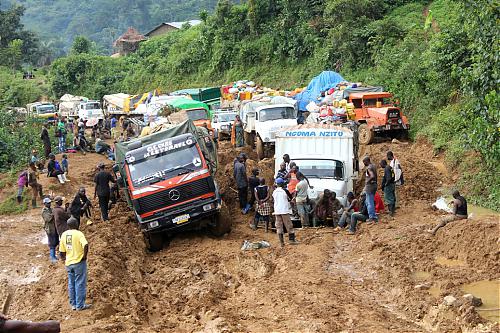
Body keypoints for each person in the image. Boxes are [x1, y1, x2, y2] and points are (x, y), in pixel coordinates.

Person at [59, 217, 91, 311]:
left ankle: (73, 304)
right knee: (80, 283)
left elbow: (61, 250)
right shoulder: (79, 233)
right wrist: (84, 256)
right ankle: (80, 305)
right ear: (76, 224)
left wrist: (64, 259)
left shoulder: (64, 234)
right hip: (79, 262)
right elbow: (85, 244)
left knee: (71, 283)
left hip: (69, 263)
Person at [273, 178, 298, 247]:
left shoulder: (274, 191)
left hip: (277, 211)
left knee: (279, 226)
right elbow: (290, 199)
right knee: (289, 225)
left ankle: (282, 243)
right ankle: (292, 240)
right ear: (282, 184)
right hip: (284, 210)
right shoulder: (285, 191)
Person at [41, 198, 58, 263]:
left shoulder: (50, 209)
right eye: (48, 203)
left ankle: (54, 256)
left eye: (50, 203)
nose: (49, 204)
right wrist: (54, 214)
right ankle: (52, 257)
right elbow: (48, 219)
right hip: (49, 229)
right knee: (52, 243)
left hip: (54, 227)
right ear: (44, 204)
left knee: (56, 241)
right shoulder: (44, 211)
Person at [362, 156, 378, 223]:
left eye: (364, 162)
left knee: (369, 202)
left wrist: (367, 181)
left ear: (367, 161)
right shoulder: (373, 166)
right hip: (374, 185)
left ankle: (372, 217)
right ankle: (372, 215)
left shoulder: (369, 168)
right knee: (368, 201)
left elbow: (372, 176)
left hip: (370, 187)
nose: (364, 164)